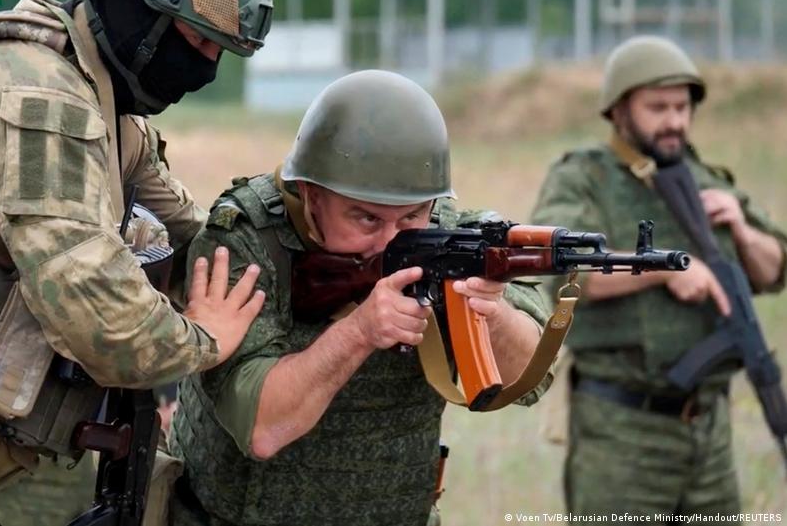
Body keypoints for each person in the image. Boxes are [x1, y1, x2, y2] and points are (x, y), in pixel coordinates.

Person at [0, 0, 273, 524]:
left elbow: (203, 244)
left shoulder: (104, 106)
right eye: (197, 39)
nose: (207, 67)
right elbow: (106, 324)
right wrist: (204, 338)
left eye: (221, 49)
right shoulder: (35, 90)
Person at [167, 70, 552, 526]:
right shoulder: (246, 244)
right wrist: (361, 331)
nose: (390, 242)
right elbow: (263, 430)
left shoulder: (455, 234)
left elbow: (530, 381)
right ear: (310, 195)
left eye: (411, 217)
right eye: (366, 219)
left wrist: (492, 315)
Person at [530, 36, 787, 520]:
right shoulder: (584, 177)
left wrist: (742, 230)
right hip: (623, 433)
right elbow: (561, 268)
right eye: (658, 107)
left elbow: (776, 269)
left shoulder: (706, 179)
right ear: (620, 110)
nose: (674, 121)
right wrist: (663, 271)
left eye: (683, 107)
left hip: (709, 432)